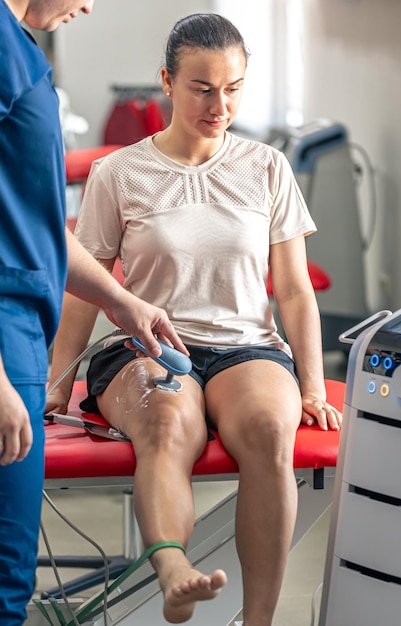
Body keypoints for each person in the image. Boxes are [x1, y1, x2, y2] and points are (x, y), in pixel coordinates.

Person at [47, 13, 343, 626]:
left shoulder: (266, 168)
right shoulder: (119, 173)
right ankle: (174, 567)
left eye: (232, 88)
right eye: (203, 88)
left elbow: (292, 292)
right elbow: (82, 289)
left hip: (247, 348)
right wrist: (54, 382)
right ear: (168, 82)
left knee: (268, 431)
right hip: (148, 349)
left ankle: (258, 620)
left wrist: (311, 383)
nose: (219, 104)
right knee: (166, 425)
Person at [0, 2, 187, 625]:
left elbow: (40, 224)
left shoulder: (21, 48)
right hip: (5, 341)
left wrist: (123, 302)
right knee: (4, 575)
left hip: (21, 331)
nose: (88, 5)